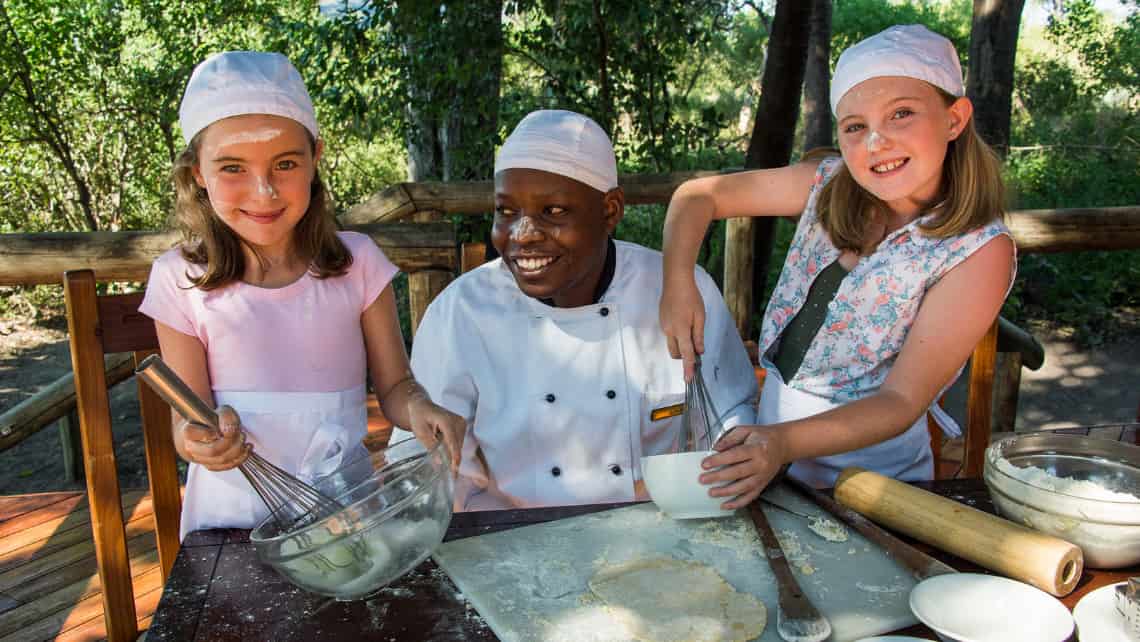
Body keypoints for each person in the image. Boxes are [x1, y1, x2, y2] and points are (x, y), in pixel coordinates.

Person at [659, 25, 1016, 506]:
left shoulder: (978, 249)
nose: (876, 142)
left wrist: (783, 443)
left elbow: (901, 402)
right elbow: (699, 195)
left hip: (873, 485)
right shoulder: (826, 185)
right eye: (854, 126)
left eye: (902, 114)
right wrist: (678, 282)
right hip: (766, 455)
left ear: (955, 120)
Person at [140, 51, 464, 539]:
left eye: (285, 163)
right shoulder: (178, 280)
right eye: (232, 168)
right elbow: (186, 421)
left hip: (347, 516)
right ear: (197, 176)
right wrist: (197, 440)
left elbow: (396, 388)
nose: (265, 191)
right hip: (230, 525)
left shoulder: (357, 265)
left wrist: (420, 407)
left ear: (316, 158)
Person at [397, 109, 758, 511]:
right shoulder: (461, 312)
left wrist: (726, 468)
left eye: (554, 211)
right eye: (507, 211)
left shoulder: (679, 289)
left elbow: (732, 413)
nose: (524, 235)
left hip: (654, 532)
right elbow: (423, 459)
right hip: (513, 539)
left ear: (610, 210)